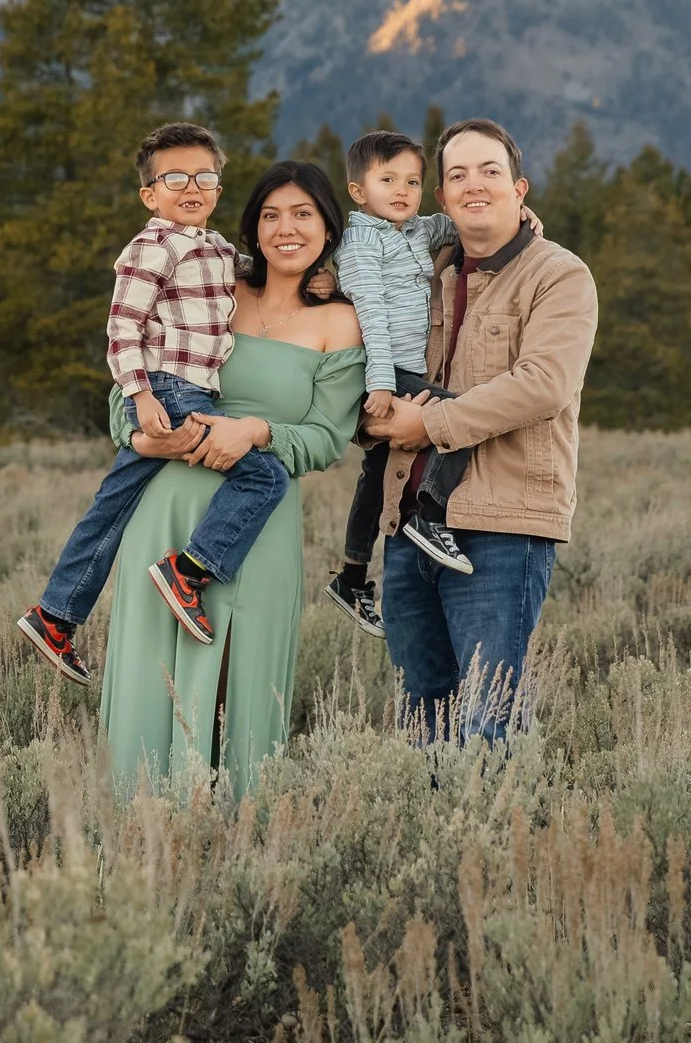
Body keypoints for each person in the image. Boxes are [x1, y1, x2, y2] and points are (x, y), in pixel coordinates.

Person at [94, 161, 365, 795]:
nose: (286, 229)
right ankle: (134, 845)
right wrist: (142, 435)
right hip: (164, 508)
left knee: (235, 688)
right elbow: (128, 390)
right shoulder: (212, 288)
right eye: (271, 215)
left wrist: (258, 432)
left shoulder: (341, 322)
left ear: (329, 227)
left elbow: (329, 440)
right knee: (148, 678)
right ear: (251, 227)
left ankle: (231, 847)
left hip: (257, 531)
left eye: (303, 214)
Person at [15, 122, 291, 685]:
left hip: (190, 389)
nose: (192, 187)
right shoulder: (151, 247)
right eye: (175, 178)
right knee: (265, 479)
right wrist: (139, 395)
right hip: (168, 387)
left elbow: (261, 272)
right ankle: (190, 571)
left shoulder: (217, 249)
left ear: (219, 185)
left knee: (112, 504)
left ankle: (54, 616)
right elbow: (123, 327)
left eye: (205, 176)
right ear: (150, 194)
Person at [367, 118, 597, 744]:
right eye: (458, 175)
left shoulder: (559, 276)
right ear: (441, 197)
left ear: (519, 188)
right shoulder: (424, 273)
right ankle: (433, 842)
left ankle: (491, 842)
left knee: (487, 722)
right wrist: (374, 416)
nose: (475, 185)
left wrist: (430, 423)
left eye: (490, 171)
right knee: (423, 724)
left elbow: (543, 383)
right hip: (407, 526)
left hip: (500, 530)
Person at [325, 129, 474, 639]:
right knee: (456, 414)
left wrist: (521, 215)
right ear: (358, 191)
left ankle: (351, 575)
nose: (403, 190)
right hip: (382, 370)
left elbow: (452, 222)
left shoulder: (414, 230)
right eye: (388, 179)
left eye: (412, 181)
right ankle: (430, 514)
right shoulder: (360, 244)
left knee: (376, 468)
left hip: (401, 371)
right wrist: (383, 384)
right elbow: (369, 315)